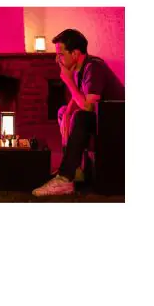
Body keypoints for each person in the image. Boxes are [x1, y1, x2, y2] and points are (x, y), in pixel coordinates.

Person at [32, 29, 125, 196]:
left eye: (60, 54)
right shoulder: (80, 68)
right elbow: (79, 97)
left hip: (118, 120)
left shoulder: (93, 67)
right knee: (63, 111)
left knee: (81, 116)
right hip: (105, 118)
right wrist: (67, 114)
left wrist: (68, 80)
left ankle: (65, 179)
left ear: (74, 53)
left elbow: (89, 107)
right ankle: (73, 169)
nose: (57, 59)